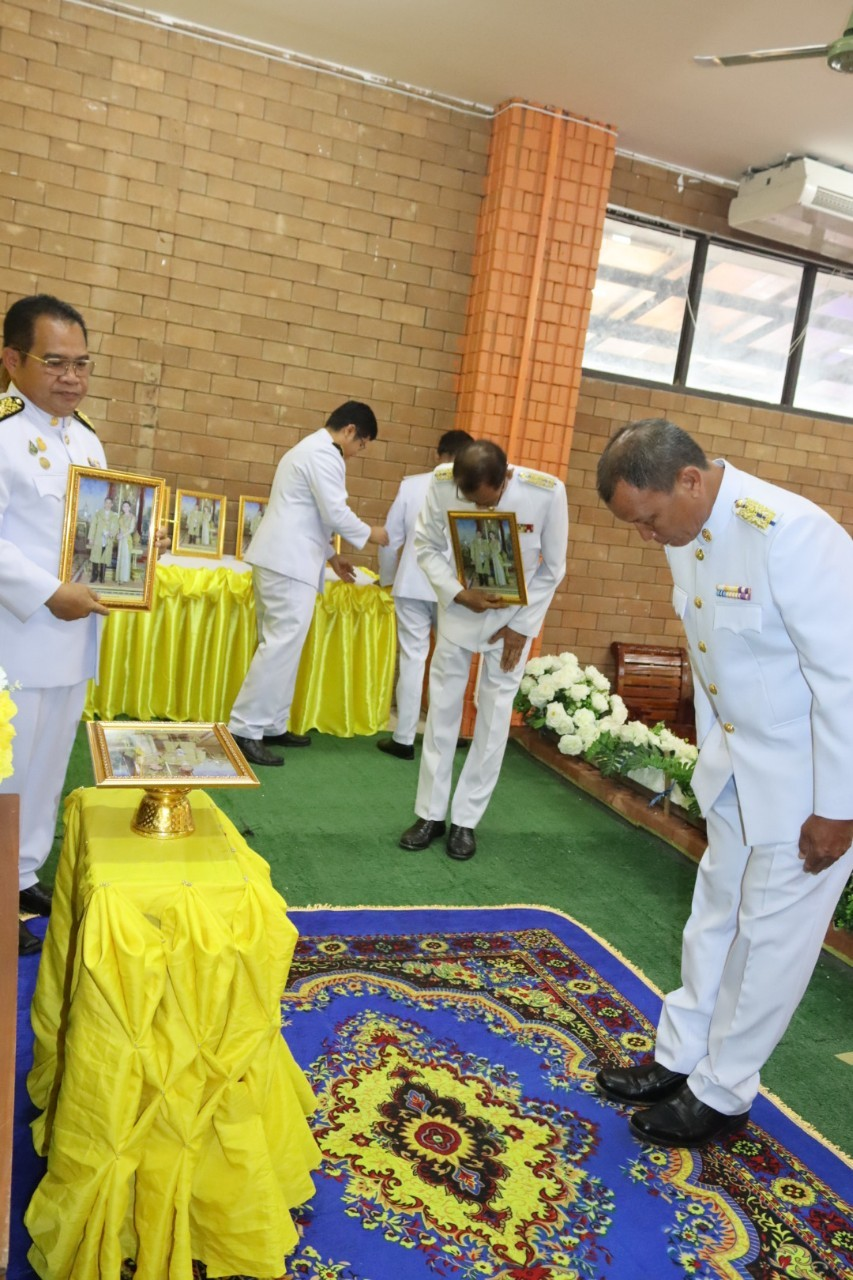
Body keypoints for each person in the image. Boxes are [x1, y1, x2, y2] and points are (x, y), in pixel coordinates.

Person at [594, 418, 853, 1148]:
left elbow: (845, 678)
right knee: (714, 915)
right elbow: (713, 664)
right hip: (739, 771)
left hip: (810, 786)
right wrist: (713, 766)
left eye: (647, 521)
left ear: (688, 480)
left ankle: (722, 1092)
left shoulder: (789, 535)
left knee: (770, 940)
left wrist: (838, 807)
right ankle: (679, 1057)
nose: (648, 538)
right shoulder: (691, 533)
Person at [0, 295, 111, 956]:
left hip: (71, 640)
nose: (72, 377)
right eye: (56, 362)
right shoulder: (2, 433)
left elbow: (95, 533)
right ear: (13, 361)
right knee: (8, 771)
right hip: (16, 639)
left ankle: (22, 875)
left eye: (83, 364)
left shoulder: (88, 438)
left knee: (45, 769)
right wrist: (46, 592)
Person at [398, 440, 568, 859]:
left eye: (485, 500)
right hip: (459, 613)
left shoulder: (546, 492)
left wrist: (521, 628)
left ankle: (466, 822)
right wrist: (457, 593)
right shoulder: (441, 485)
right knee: (441, 714)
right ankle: (430, 815)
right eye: (469, 500)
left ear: (505, 478)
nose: (478, 507)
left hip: (512, 623)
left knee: (492, 722)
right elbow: (426, 546)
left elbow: (554, 567)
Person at [227, 401, 389, 767]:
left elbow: (309, 513)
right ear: (349, 431)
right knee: (280, 644)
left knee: (285, 644)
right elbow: (334, 512)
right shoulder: (325, 454)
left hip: (288, 559)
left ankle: (271, 724)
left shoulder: (312, 448)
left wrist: (333, 556)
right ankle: (245, 728)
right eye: (361, 444)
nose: (358, 452)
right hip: (287, 562)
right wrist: (373, 534)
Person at [376, 430, 473, 760]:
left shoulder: (411, 485)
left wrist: (388, 579)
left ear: (438, 453)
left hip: (413, 583)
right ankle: (447, 735)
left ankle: (403, 738)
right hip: (455, 589)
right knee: (451, 661)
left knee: (413, 658)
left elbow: (390, 539)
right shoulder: (473, 488)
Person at [87, 494, 118, 583]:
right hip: (98, 538)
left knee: (105, 557)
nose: (108, 505)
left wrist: (111, 533)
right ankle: (94, 575)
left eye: (110, 503)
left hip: (108, 539)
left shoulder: (114, 516)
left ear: (112, 505)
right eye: (106, 503)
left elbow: (116, 527)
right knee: (95, 557)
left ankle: (102, 576)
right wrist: (91, 538)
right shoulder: (98, 513)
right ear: (104, 504)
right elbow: (93, 526)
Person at [115, 499, 135, 584]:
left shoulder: (132, 517)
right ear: (122, 508)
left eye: (127, 506)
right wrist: (118, 535)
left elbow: (131, 529)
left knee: (126, 558)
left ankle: (124, 578)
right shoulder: (121, 517)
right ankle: (119, 577)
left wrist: (122, 535)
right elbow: (118, 528)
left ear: (129, 507)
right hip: (121, 539)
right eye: (124, 506)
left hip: (127, 539)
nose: (125, 508)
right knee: (120, 557)